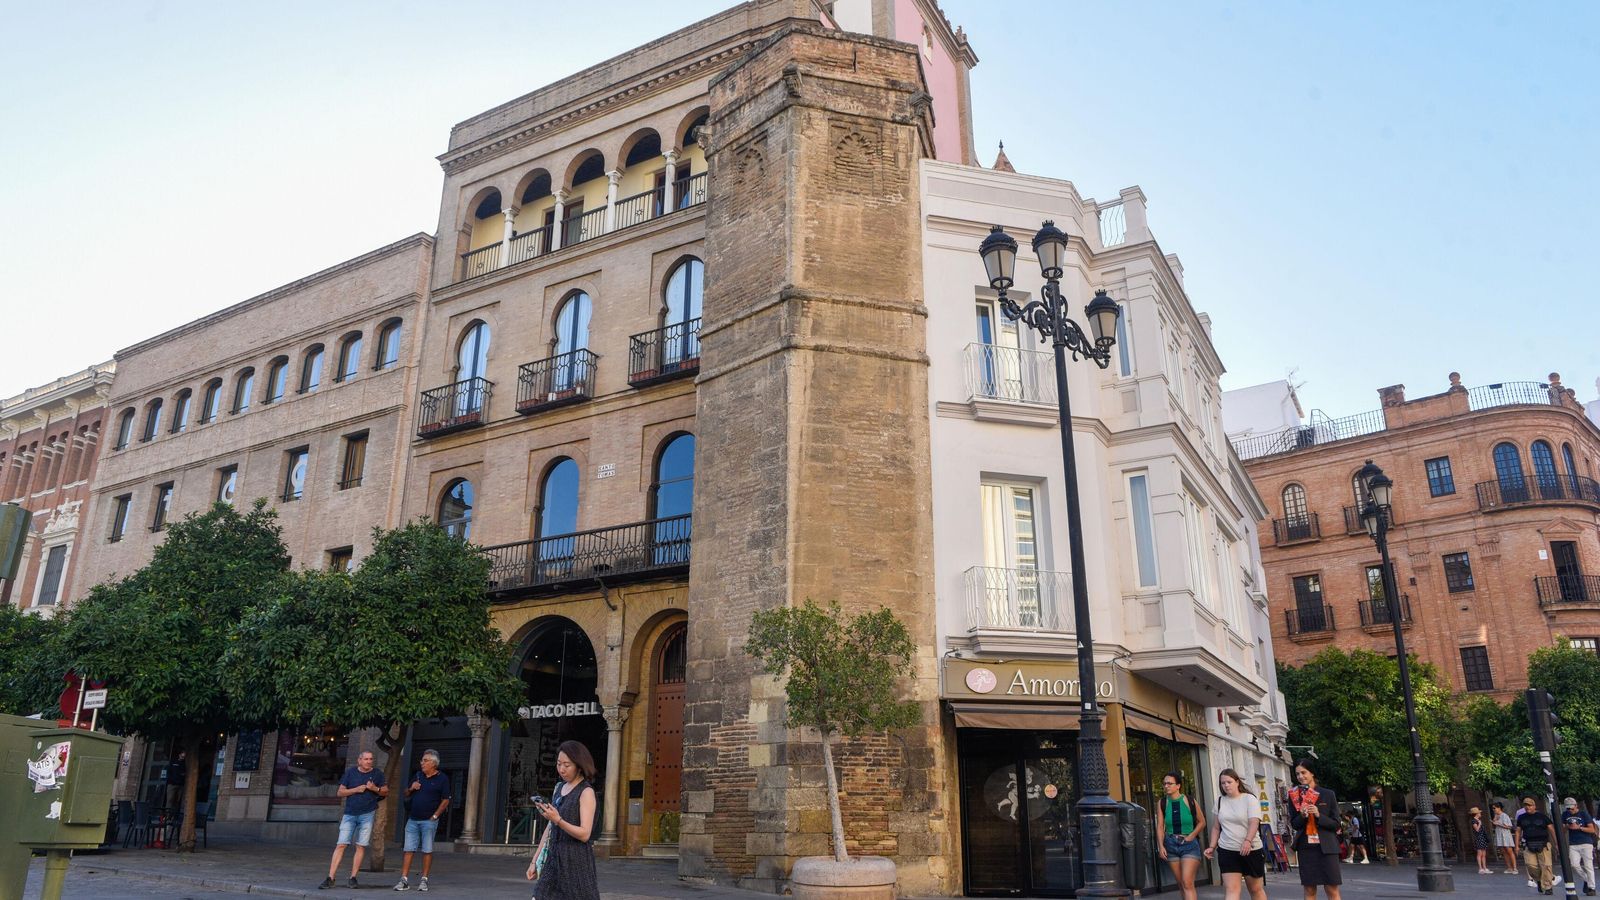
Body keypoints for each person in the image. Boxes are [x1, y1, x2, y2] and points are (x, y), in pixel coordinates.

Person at [527, 741, 600, 900]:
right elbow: (550, 828)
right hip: (553, 860)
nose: (561, 769)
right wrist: (534, 861)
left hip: (576, 863)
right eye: (559, 764)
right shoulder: (559, 788)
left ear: (579, 765)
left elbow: (585, 833)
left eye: (567, 765)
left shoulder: (586, 792)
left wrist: (558, 820)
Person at [320, 750, 388, 890]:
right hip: (350, 814)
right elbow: (340, 792)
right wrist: (356, 789)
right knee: (341, 844)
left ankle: (353, 877)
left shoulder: (377, 774)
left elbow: (385, 791)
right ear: (359, 760)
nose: (369, 761)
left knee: (361, 845)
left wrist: (374, 788)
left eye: (371, 759)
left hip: (367, 814)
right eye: (366, 759)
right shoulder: (351, 773)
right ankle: (331, 877)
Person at [1205, 768, 1268, 900]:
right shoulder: (1220, 801)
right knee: (1231, 890)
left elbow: (1254, 822)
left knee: (1255, 889)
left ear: (1237, 782)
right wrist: (1212, 846)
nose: (1226, 785)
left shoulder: (1249, 799)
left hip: (1251, 849)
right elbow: (1216, 827)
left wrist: (1247, 840)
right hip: (1227, 849)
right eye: (1223, 783)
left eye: (1229, 782)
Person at [394, 749, 451, 893]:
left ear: (433, 763)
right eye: (422, 760)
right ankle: (404, 880)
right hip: (413, 819)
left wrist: (435, 816)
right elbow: (406, 793)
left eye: (425, 761)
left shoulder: (442, 778)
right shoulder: (418, 775)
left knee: (427, 850)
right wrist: (412, 788)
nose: (422, 763)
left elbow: (445, 800)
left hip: (429, 821)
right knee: (408, 849)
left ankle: (424, 880)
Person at [1289, 758, 1342, 900]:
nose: (1300, 776)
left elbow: (1336, 824)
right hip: (1306, 847)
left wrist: (1319, 815)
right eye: (1297, 774)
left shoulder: (1328, 794)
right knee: (1309, 890)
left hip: (1327, 847)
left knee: (1332, 889)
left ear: (1312, 773)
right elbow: (1294, 823)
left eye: (1303, 772)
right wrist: (1302, 816)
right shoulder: (1294, 795)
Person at [1154, 771, 1206, 900]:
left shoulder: (1189, 800)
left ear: (1178, 786)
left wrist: (1192, 836)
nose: (1166, 786)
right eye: (1164, 783)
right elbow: (1160, 826)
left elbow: (1202, 822)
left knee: (1187, 882)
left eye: (1169, 783)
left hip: (1189, 844)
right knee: (1181, 884)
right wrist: (1161, 846)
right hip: (1170, 844)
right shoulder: (1162, 803)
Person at [1517, 795, 1557, 895]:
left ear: (1534, 806)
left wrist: (1556, 843)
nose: (1528, 807)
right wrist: (1516, 845)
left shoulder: (1542, 817)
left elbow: (1551, 829)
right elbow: (1518, 831)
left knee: (1546, 866)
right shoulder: (1521, 818)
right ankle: (1539, 880)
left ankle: (1548, 887)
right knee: (1531, 866)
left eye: (1530, 805)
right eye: (1525, 805)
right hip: (1529, 844)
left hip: (1543, 844)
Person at [1562, 797, 1597, 896]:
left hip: (1586, 842)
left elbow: (1592, 829)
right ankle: (1587, 879)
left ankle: (1592, 887)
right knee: (1574, 864)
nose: (1570, 811)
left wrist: (1579, 827)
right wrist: (1567, 826)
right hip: (1573, 843)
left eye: (1572, 808)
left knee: (1588, 865)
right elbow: (1562, 830)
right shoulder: (1565, 815)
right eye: (1568, 809)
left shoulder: (1583, 814)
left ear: (1576, 806)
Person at [1493, 801, 1518, 875]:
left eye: (1494, 808)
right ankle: (1509, 867)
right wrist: (1495, 819)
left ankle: (1515, 867)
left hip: (1505, 834)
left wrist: (1499, 824)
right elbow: (1494, 823)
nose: (1493, 809)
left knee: (1509, 850)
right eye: (1493, 808)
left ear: (1499, 808)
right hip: (1499, 834)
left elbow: (1509, 826)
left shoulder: (1505, 815)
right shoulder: (1496, 815)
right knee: (1503, 851)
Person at [1469, 807, 1491, 874]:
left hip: (1482, 838)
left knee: (1484, 854)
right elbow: (1477, 830)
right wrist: (1479, 824)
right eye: (1479, 813)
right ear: (1476, 814)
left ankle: (1484, 867)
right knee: (1479, 854)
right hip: (1479, 838)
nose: (1480, 813)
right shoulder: (1474, 821)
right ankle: (1480, 868)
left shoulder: (1478, 820)